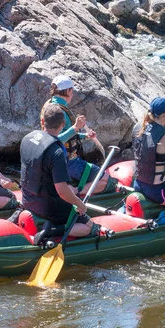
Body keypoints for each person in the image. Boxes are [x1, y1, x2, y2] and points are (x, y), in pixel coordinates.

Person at [21, 103, 114, 243]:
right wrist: (80, 204)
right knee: (89, 227)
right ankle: (53, 230)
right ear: (63, 123)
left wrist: (81, 134)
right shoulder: (57, 152)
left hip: (28, 200)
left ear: (42, 122)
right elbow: (62, 190)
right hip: (48, 207)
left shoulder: (27, 138)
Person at [39, 75, 118, 196]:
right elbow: (53, 141)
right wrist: (75, 127)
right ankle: (75, 191)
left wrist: (85, 136)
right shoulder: (60, 112)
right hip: (68, 163)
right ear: (68, 91)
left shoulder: (49, 105)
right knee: (108, 181)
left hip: (53, 160)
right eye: (72, 90)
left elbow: (65, 138)